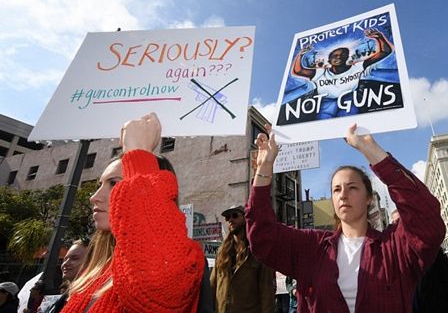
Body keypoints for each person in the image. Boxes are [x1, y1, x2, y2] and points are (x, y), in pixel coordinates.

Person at [246, 123, 445, 312]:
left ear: (369, 198)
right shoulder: (311, 247)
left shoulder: (396, 246)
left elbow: (427, 220)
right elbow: (262, 237)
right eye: (336, 189)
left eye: (352, 188)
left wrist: (372, 150)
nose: (343, 195)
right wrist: (264, 168)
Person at [61, 113, 205, 312]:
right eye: (100, 184)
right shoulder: (95, 271)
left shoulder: (187, 260)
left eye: (114, 183)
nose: (94, 197)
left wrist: (139, 155)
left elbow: (158, 295)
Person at [291, 28, 393, 119]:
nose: (339, 57)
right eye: (335, 56)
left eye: (343, 55)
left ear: (347, 57)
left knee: (349, 122)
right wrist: (300, 54)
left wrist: (379, 38)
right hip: (327, 101)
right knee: (323, 124)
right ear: (329, 60)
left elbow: (384, 52)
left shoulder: (357, 67)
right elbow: (297, 71)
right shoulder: (320, 72)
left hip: (349, 99)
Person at [210, 205, 275, 313]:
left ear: (245, 218)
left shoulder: (257, 251)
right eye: (227, 217)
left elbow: (267, 291)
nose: (230, 220)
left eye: (235, 215)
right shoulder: (222, 251)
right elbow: (213, 285)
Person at [42, 239, 89, 313]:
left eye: (74, 258)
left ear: (92, 262)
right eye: (65, 259)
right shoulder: (61, 300)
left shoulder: (94, 300)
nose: (65, 264)